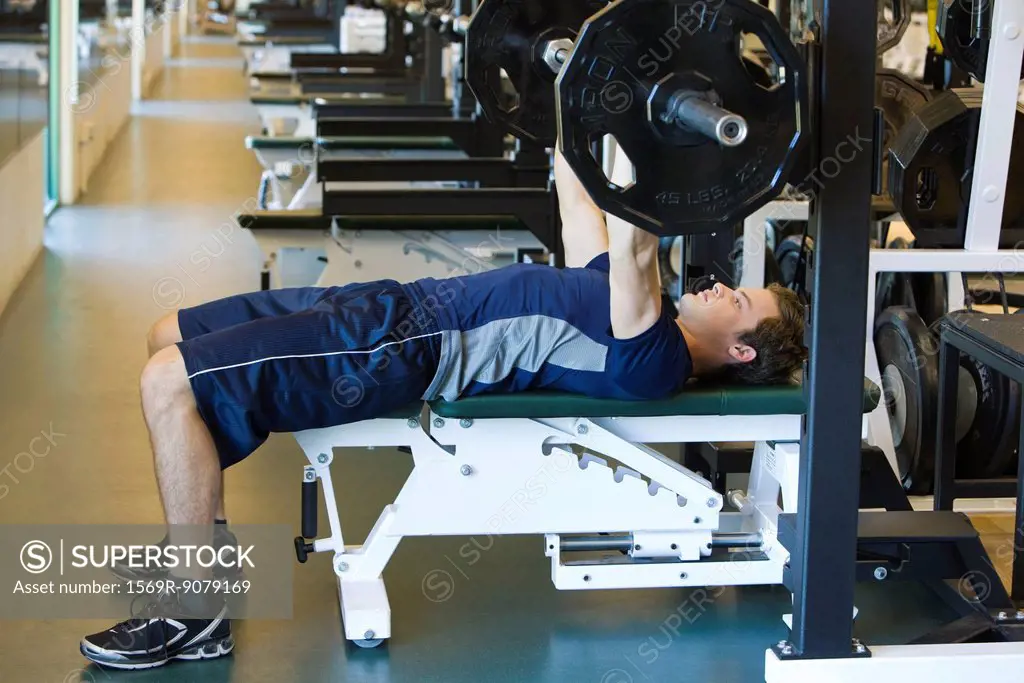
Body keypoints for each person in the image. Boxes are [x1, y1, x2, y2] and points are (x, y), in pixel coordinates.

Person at [80, 145, 806, 670]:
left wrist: (646, 122)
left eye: (737, 300)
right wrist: (582, 81)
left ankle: (195, 607)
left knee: (166, 379)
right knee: (166, 332)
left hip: (400, 347)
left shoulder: (654, 354)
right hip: (384, 306)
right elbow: (575, 187)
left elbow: (636, 244)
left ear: (741, 351)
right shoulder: (631, 305)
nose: (719, 287)